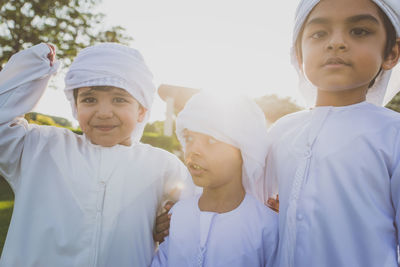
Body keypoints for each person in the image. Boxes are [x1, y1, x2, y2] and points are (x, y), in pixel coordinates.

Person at [0, 43, 193, 267]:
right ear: (75, 106)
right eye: (89, 99)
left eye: (119, 99)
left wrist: (176, 221)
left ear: (141, 111)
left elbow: (201, 209)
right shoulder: (39, 147)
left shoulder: (162, 165)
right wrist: (33, 65)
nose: (103, 113)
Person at [264, 0, 400, 266]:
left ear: (391, 53)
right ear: (299, 54)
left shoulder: (393, 133)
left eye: (359, 31)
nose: (336, 43)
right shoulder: (281, 131)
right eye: (319, 34)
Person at [151, 92, 278, 267]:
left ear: (244, 151)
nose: (193, 150)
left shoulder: (267, 225)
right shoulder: (177, 215)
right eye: (189, 138)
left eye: (211, 140)